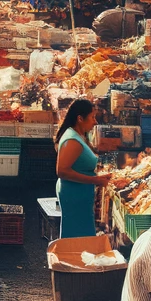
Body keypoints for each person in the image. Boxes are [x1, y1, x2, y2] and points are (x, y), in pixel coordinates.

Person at [55, 99, 121, 238]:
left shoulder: (80, 135)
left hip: (80, 193)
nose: (95, 122)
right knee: (77, 235)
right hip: (74, 194)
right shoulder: (72, 140)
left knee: (81, 234)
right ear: (80, 118)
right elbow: (62, 171)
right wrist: (95, 180)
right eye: (92, 117)